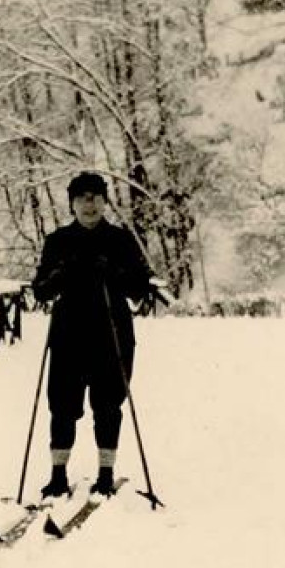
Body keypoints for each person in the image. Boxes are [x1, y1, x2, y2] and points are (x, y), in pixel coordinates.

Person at [32, 171, 170, 497]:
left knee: (108, 405)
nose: (89, 205)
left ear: (105, 202)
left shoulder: (121, 240)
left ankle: (106, 474)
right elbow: (40, 291)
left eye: (95, 197)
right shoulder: (58, 242)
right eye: (82, 198)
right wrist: (61, 274)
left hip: (112, 336)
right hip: (68, 337)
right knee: (62, 406)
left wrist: (115, 272)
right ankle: (57, 475)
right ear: (72, 204)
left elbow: (140, 289)